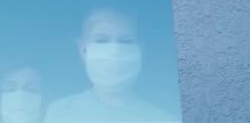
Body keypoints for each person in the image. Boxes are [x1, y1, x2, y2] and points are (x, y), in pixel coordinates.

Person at [45, 8, 178, 122]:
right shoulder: (59, 113)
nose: (115, 51)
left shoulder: (164, 119)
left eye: (125, 41)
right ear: (83, 50)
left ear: (140, 51)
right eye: (101, 40)